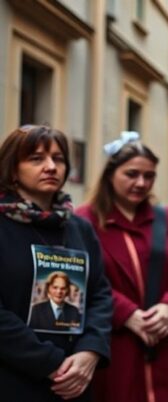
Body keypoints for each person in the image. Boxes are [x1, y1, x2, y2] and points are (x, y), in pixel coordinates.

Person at [76, 133, 168, 402]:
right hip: (116, 343)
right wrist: (126, 313)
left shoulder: (166, 218)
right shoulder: (84, 221)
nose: (141, 183)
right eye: (131, 174)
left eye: (149, 176)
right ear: (111, 174)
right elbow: (83, 278)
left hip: (166, 340)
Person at [0, 125, 112, 401]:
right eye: (36, 158)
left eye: (58, 158)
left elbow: (100, 294)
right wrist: (50, 362)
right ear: (12, 169)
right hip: (13, 379)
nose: (50, 166)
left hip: (74, 381)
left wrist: (90, 351)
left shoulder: (79, 228)